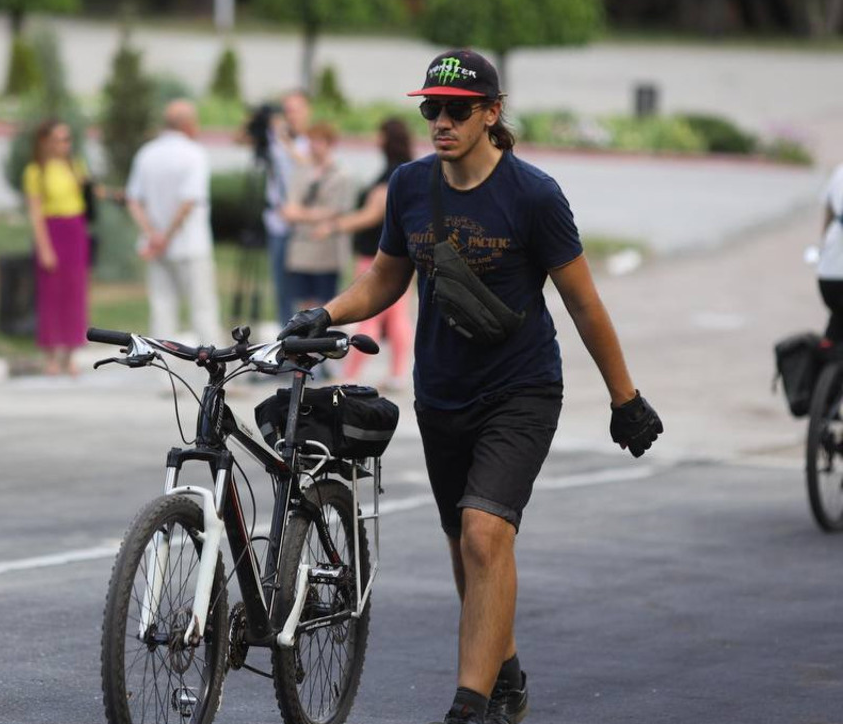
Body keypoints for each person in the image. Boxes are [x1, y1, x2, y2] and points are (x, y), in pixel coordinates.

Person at [279, 49, 664, 724]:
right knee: (465, 542)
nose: (440, 121)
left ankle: (469, 705)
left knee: (485, 533)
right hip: (442, 392)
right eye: (431, 108)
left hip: (520, 389)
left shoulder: (532, 195)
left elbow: (582, 302)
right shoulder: (408, 186)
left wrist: (623, 398)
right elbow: (385, 279)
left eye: (456, 110)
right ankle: (504, 673)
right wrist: (325, 314)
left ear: (491, 113)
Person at [328, 117, 416, 390]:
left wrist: (335, 225)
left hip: (377, 256)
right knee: (398, 316)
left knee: (369, 315)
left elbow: (372, 214)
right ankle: (398, 373)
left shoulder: (392, 174)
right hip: (399, 254)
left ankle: (351, 372)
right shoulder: (403, 171)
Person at [125, 99, 221, 345]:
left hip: (157, 247)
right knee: (203, 309)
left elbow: (134, 200)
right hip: (190, 245)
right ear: (188, 124)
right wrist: (165, 236)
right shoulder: (193, 153)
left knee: (162, 309)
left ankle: (163, 371)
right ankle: (218, 371)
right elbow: (188, 201)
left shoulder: (146, 152)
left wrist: (152, 235)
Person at [23, 120, 92, 376]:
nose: (66, 144)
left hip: (75, 230)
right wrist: (44, 247)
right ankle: (51, 354)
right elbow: (35, 211)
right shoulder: (35, 171)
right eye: (60, 139)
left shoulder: (75, 166)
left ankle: (71, 353)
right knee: (51, 294)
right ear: (46, 141)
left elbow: (88, 196)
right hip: (52, 230)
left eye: (68, 139)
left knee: (75, 292)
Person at [281, 122, 355, 311]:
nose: (314, 146)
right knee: (302, 304)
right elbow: (290, 207)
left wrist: (302, 214)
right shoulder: (301, 172)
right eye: (311, 141)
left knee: (327, 305)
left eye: (318, 141)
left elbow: (336, 210)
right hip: (301, 248)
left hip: (327, 252)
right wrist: (309, 214)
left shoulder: (340, 174)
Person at [262, 90, 313, 325]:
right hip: (278, 222)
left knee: (307, 288)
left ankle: (311, 339)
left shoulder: (311, 142)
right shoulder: (273, 139)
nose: (290, 116)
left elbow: (309, 167)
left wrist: (285, 142)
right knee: (282, 288)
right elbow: (241, 138)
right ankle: (286, 336)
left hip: (305, 225)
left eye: (295, 110)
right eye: (287, 111)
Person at [816, 162, 843, 344]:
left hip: (827, 275)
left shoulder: (840, 172)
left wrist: (823, 247)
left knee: (837, 321)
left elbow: (828, 214)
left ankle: (825, 357)